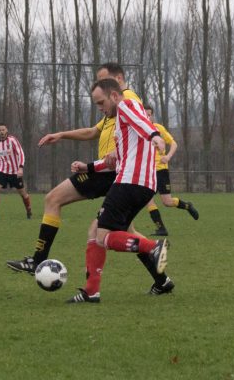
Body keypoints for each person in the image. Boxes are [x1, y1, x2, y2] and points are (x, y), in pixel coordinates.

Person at [6, 62, 175, 296]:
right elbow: (98, 135)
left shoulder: (126, 100)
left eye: (102, 89)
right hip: (115, 172)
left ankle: (39, 260)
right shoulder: (113, 111)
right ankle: (159, 280)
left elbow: (142, 121)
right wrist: (73, 146)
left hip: (121, 177)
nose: (99, 100)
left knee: (56, 201)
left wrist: (155, 136)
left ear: (116, 83)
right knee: (120, 232)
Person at [65, 78, 169, 303]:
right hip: (140, 184)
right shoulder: (121, 125)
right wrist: (89, 167)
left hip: (129, 183)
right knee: (97, 232)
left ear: (114, 95)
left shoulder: (125, 106)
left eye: (101, 103)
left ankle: (153, 247)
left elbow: (143, 123)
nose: (100, 109)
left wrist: (155, 136)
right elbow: (117, 160)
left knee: (102, 237)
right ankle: (91, 291)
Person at [143, 106, 199, 236]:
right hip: (147, 171)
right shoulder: (139, 131)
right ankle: (161, 228)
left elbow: (174, 144)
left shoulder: (159, 129)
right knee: (148, 199)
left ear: (152, 116)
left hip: (161, 171)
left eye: (149, 114)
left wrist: (167, 157)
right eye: (144, 114)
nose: (147, 117)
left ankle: (187, 206)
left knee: (167, 202)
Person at [0, 123, 33, 221]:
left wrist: (20, 168)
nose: (1, 132)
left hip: (15, 172)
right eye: (0, 130)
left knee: (23, 194)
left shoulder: (12, 140)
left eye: (3, 130)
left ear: (6, 130)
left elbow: (21, 153)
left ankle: (28, 211)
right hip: (2, 171)